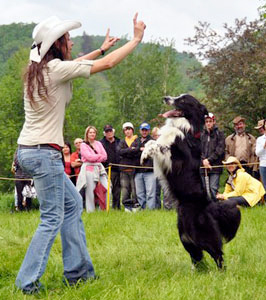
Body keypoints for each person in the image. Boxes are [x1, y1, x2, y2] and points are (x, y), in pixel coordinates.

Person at [15, 13, 146, 293]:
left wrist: (100, 48)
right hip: (44, 153)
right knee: (51, 218)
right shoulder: (56, 70)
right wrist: (135, 39)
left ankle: (78, 273)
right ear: (58, 45)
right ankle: (27, 284)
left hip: (30, 150)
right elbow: (107, 65)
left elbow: (79, 62)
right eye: (68, 39)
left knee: (73, 204)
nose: (72, 42)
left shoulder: (40, 70)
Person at [77, 126, 108, 212]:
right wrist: (99, 156)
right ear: (87, 134)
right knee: (90, 190)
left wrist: (96, 157)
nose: (92, 134)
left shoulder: (98, 143)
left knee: (107, 187)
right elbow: (89, 157)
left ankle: (104, 208)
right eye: (90, 132)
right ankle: (90, 211)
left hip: (99, 167)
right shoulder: (83, 145)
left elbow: (105, 156)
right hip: (88, 168)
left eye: (94, 132)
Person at [201, 112, 225, 201]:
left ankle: (215, 208)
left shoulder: (219, 134)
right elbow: (198, 149)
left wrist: (209, 160)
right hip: (202, 167)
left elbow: (220, 149)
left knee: (213, 188)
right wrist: (204, 160)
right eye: (206, 121)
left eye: (210, 121)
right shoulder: (201, 135)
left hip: (215, 166)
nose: (208, 123)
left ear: (214, 121)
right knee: (203, 189)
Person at [132, 122, 157, 209]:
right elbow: (130, 152)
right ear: (140, 131)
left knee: (150, 193)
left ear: (149, 131)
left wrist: (138, 150)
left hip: (150, 171)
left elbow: (154, 153)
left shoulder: (153, 141)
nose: (144, 132)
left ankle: (151, 210)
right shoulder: (136, 140)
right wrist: (139, 149)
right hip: (138, 171)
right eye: (143, 130)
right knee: (140, 193)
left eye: (146, 130)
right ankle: (142, 210)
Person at [118, 121, 139, 212]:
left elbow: (137, 151)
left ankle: (135, 206)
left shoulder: (137, 140)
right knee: (125, 189)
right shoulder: (122, 141)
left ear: (132, 130)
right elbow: (119, 152)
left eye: (129, 129)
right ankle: (127, 207)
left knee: (135, 189)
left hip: (135, 169)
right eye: (125, 130)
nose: (127, 131)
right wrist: (130, 150)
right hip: (124, 169)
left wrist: (126, 151)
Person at [152, 127, 174, 209]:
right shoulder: (153, 146)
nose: (158, 137)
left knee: (166, 192)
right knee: (156, 191)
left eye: (159, 135)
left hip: (166, 171)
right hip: (156, 171)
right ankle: (157, 208)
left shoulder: (167, 145)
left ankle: (167, 207)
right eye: (156, 135)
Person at [100, 124, 121, 209]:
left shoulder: (119, 141)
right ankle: (105, 207)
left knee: (117, 190)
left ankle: (116, 207)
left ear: (113, 131)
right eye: (107, 131)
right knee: (106, 189)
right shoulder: (100, 143)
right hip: (105, 169)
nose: (109, 133)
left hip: (118, 169)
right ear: (104, 133)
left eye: (110, 131)